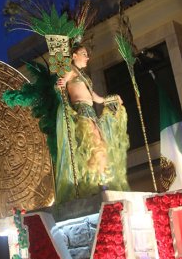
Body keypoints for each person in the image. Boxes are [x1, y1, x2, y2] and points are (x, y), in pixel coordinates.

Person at [55, 44, 130, 202]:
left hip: (91, 113)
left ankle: (102, 181)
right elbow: (62, 83)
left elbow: (96, 98)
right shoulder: (71, 69)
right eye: (83, 54)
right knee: (94, 148)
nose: (87, 57)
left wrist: (113, 98)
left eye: (87, 54)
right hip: (81, 113)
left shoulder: (84, 76)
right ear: (74, 55)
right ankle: (97, 183)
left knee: (101, 147)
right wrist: (60, 85)